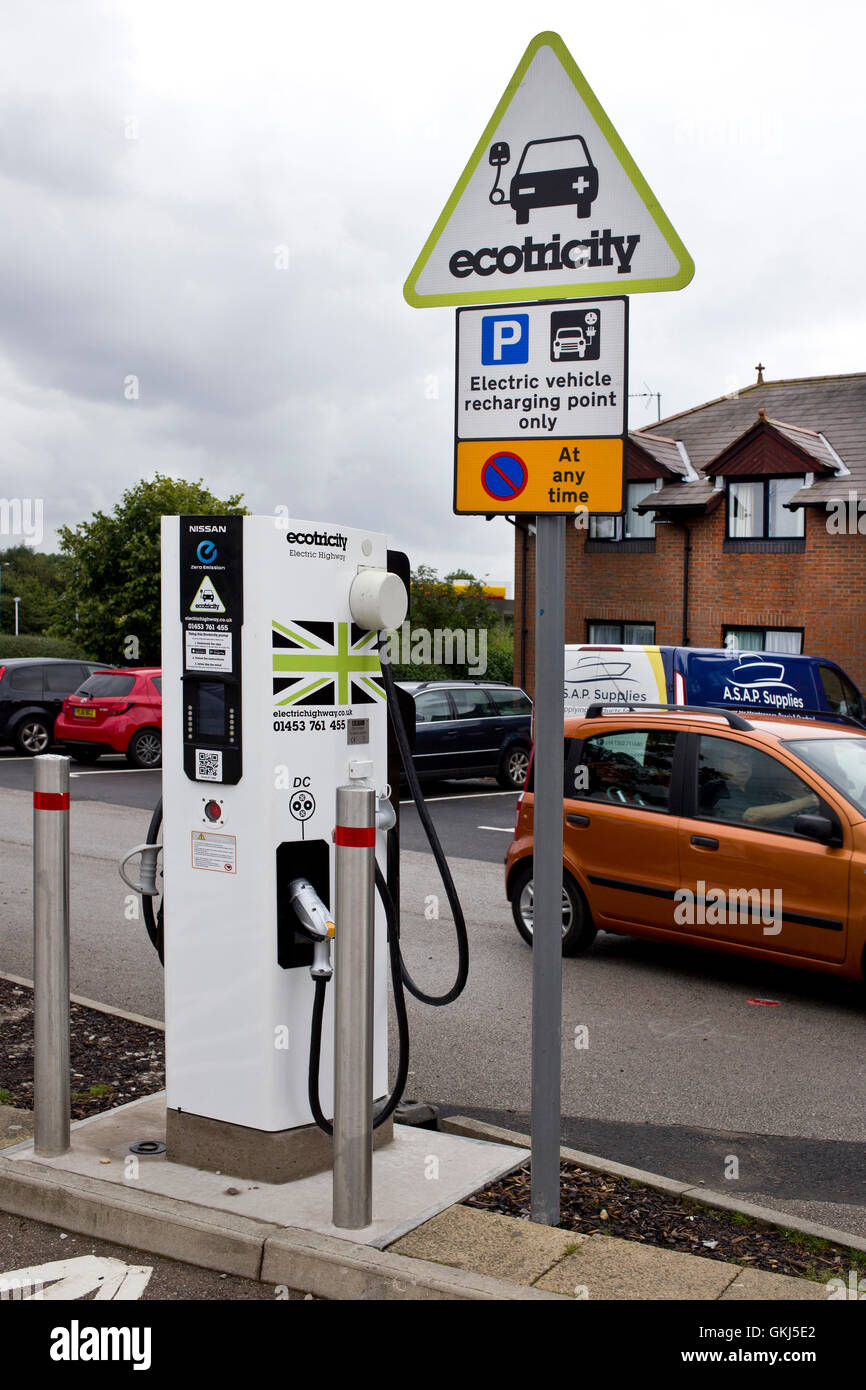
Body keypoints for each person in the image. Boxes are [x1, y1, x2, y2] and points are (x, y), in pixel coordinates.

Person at [703, 741, 819, 827]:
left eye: (747, 759)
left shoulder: (756, 788)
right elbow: (751, 816)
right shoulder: (718, 791)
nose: (744, 765)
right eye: (735, 759)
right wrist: (807, 802)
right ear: (718, 763)